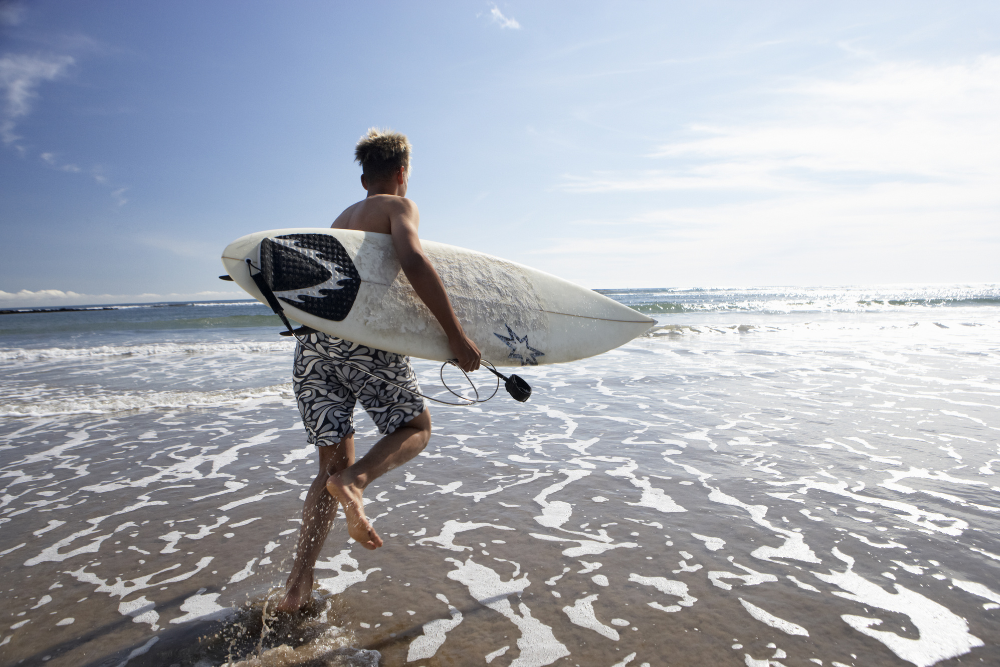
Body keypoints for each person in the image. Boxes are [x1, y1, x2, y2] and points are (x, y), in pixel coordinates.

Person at [276, 128, 481, 612]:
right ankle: (358, 483)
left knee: (328, 467)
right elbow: (413, 259)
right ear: (403, 173)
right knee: (416, 427)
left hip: (313, 348)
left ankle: (296, 586)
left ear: (364, 175)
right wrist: (453, 332)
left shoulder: (339, 222)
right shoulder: (397, 207)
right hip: (365, 341)